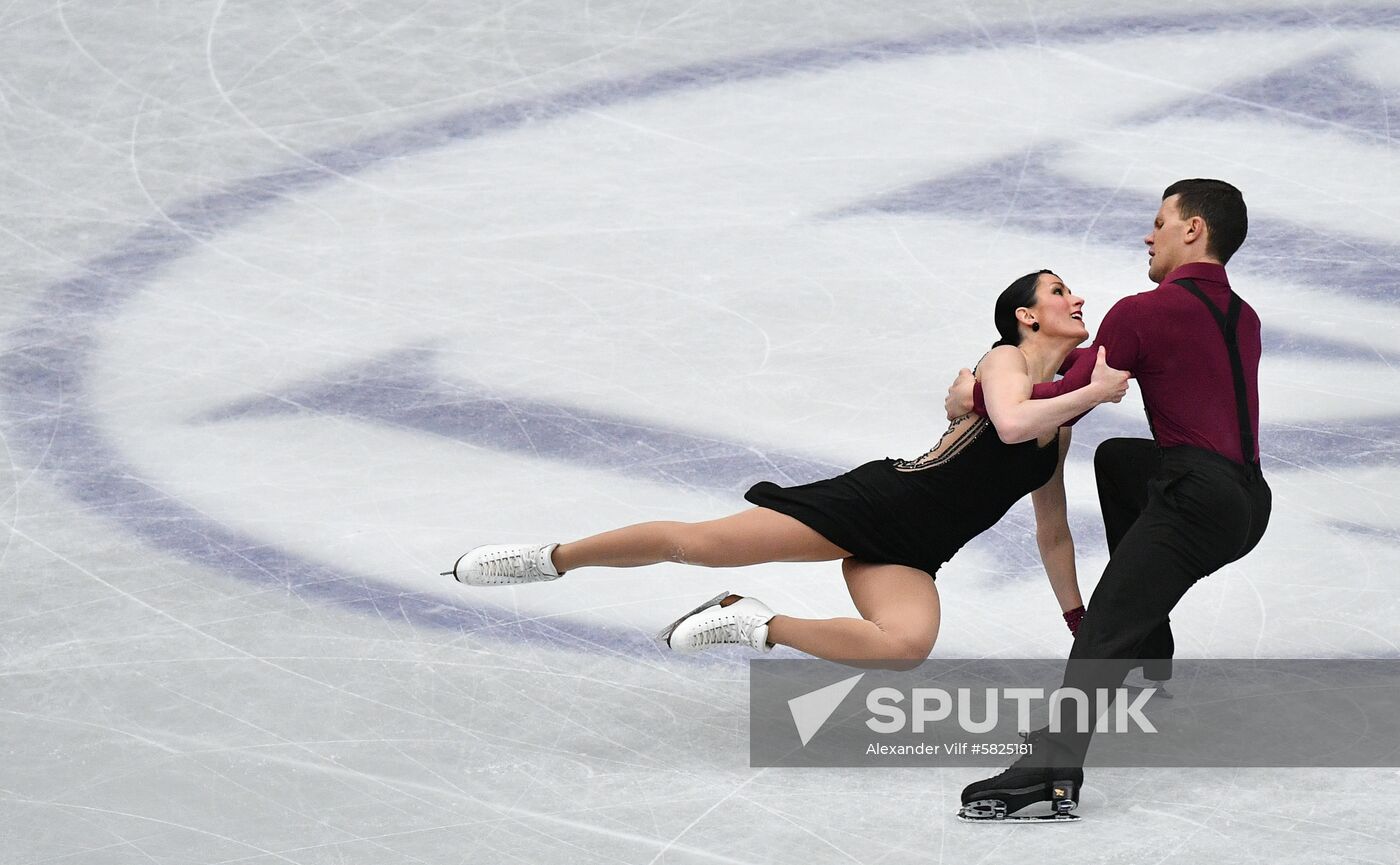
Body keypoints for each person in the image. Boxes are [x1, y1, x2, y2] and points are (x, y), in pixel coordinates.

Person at [444, 272, 1130, 670]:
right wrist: (1094, 391)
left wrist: (1078, 618)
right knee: (698, 544)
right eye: (1058, 291)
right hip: (873, 503)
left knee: (905, 646)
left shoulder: (1055, 429)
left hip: (916, 551)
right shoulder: (1000, 362)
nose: (1076, 300)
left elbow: (1053, 533)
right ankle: (549, 558)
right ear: (1025, 316)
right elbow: (1009, 419)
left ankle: (752, 622)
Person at [951, 179, 1273, 819]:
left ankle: (1052, 769)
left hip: (1196, 501)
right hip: (1250, 502)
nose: (1148, 236)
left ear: (1193, 231)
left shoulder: (1144, 310)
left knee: (1104, 624)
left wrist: (982, 393)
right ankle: (1153, 644)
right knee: (1122, 461)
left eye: (1160, 222)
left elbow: (1064, 389)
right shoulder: (1245, 315)